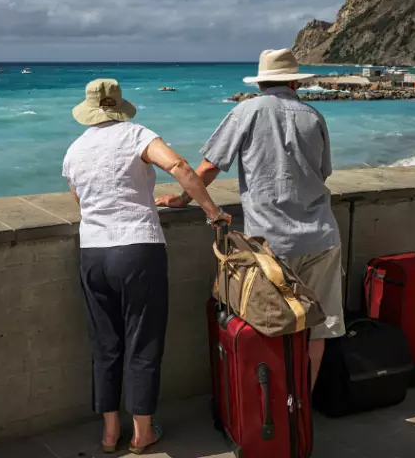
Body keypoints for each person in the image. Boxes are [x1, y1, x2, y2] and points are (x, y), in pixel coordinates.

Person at [157, 48, 346, 391]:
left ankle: (272, 407)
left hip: (270, 244)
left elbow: (210, 166)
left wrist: (183, 198)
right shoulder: (313, 115)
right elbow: (323, 173)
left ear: (261, 82)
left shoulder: (246, 111)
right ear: (294, 82)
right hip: (321, 236)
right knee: (319, 327)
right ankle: (302, 405)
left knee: (269, 325)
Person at [62, 78, 232, 455]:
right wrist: (213, 212)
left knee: (105, 344)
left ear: (88, 110)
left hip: (93, 252)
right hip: (138, 248)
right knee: (143, 341)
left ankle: (109, 433)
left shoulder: (75, 150)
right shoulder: (136, 134)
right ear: (119, 105)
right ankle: (142, 432)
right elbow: (180, 166)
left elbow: (81, 199)